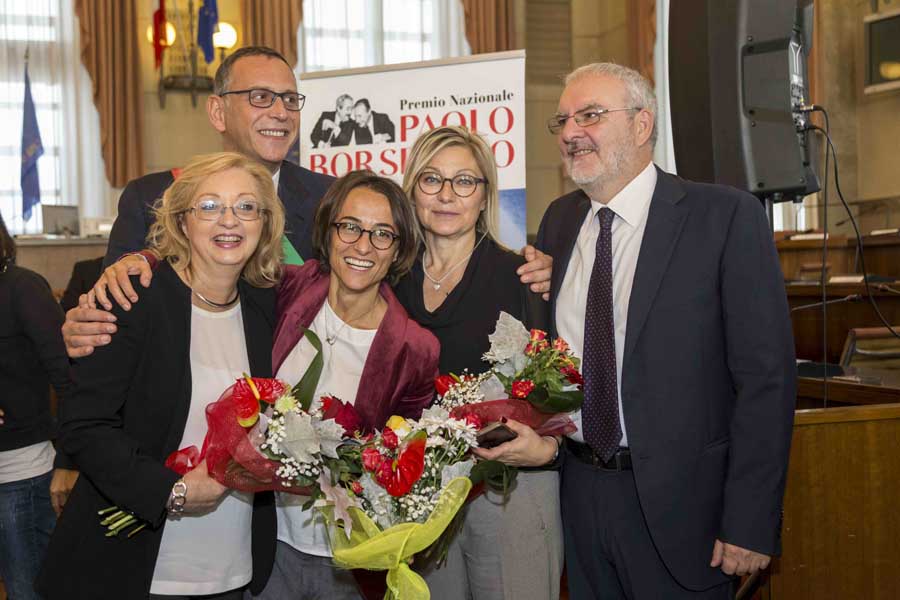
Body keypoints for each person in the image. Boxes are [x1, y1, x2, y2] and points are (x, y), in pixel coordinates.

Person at [530, 62, 796, 599]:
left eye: (590, 115)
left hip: (686, 510)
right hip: (579, 495)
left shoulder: (724, 217)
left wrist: (749, 520)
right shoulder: (558, 222)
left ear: (642, 124)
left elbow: (766, 381)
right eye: (562, 121)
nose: (571, 132)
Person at [36, 152, 286, 600]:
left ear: (264, 223)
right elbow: (84, 425)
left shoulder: (266, 306)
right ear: (182, 221)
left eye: (247, 206)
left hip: (232, 565)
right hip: (135, 566)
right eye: (209, 206)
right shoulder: (133, 297)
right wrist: (171, 491)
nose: (229, 219)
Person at [391, 125, 563, 600]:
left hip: (509, 490)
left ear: (485, 194)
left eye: (464, 181)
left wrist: (549, 448)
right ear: (412, 189)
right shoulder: (391, 281)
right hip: (422, 495)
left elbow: (561, 385)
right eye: (432, 179)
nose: (447, 195)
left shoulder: (523, 277)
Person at [255, 170, 440, 600]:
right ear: (329, 230)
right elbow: (214, 272)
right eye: (350, 226)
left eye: (382, 234)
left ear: (398, 250)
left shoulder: (415, 349)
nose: (363, 246)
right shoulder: (289, 288)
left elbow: (406, 465)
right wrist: (142, 262)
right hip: (266, 544)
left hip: (348, 562)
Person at [103, 45, 334, 269]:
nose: (281, 113)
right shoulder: (149, 199)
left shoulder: (329, 198)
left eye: (290, 100)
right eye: (261, 97)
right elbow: (116, 292)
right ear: (218, 113)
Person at [0, 214, 74, 600]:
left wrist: (69, 458)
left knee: (28, 589)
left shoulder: (22, 288)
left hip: (19, 473)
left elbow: (69, 376)